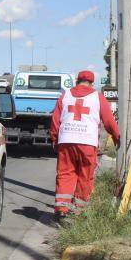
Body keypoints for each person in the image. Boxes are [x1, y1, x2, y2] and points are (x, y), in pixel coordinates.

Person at [49, 70, 120, 224]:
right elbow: (108, 120)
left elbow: (55, 120)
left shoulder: (65, 95)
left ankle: (61, 210)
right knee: (85, 176)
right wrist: (116, 136)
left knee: (65, 174)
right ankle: (78, 212)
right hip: (87, 142)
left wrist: (54, 139)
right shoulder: (97, 97)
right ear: (92, 83)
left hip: (66, 140)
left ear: (77, 81)